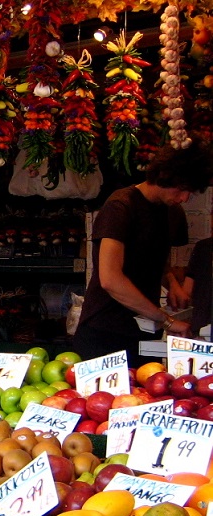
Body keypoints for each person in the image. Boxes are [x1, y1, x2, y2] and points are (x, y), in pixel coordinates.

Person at [74, 142, 213, 365]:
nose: (185, 198)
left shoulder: (173, 212)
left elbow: (153, 253)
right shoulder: (120, 207)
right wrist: (165, 320)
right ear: (164, 176)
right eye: (182, 188)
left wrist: (171, 283)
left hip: (145, 329)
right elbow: (110, 279)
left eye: (191, 192)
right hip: (104, 331)